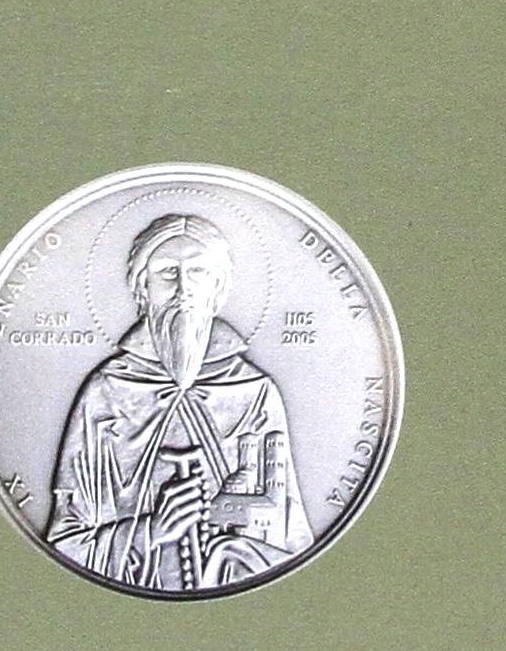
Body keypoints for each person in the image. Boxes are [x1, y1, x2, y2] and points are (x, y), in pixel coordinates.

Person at [46, 214, 314, 591]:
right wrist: (150, 532)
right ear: (142, 289)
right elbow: (64, 544)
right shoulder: (105, 394)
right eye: (168, 272)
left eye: (198, 272)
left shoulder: (255, 393)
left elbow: (291, 543)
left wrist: (230, 548)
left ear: (218, 288)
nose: (183, 288)